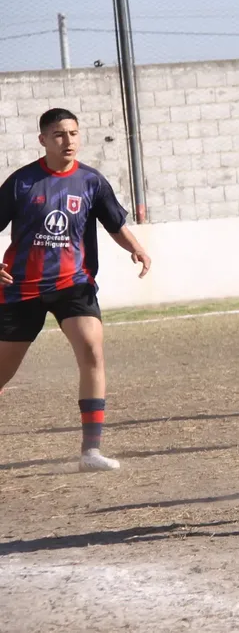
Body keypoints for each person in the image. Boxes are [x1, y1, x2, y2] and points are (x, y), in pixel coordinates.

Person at [0, 108, 152, 472]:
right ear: (42, 140)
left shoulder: (91, 181)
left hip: (74, 284)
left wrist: (137, 247)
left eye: (73, 133)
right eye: (58, 135)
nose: (67, 141)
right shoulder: (22, 182)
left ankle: (90, 452)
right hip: (22, 289)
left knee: (92, 351)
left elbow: (113, 222)